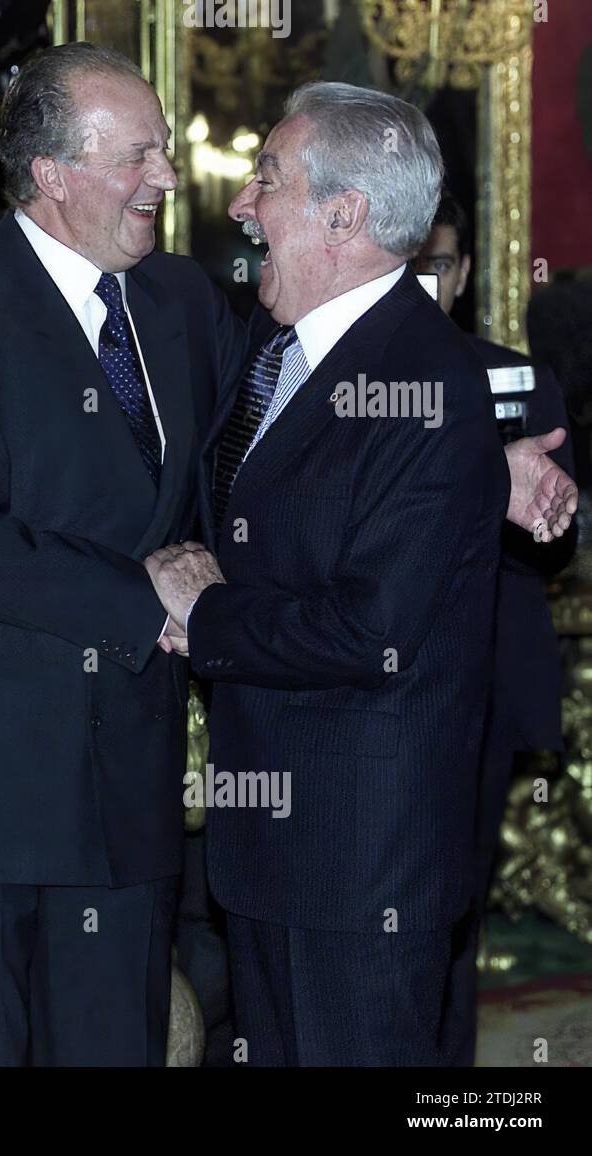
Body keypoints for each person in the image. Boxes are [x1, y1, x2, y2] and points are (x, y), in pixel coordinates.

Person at [149, 81, 574, 1066]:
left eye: (267, 180)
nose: (243, 205)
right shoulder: (274, 346)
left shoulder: (427, 387)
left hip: (359, 864)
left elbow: (366, 633)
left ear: (342, 215)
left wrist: (204, 612)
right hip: (270, 853)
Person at [0, 42, 249, 1066]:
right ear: (52, 175)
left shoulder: (184, 303)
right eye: (139, 155)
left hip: (126, 776)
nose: (165, 176)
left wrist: (479, 452)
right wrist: (144, 597)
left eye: (164, 151)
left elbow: (267, 460)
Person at [416, 190, 577, 1065]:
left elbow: (554, 552)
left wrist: (539, 513)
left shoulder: (515, 378)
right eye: (408, 267)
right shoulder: (342, 381)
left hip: (477, 688)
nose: (422, 285)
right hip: (359, 688)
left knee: (456, 916)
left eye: (438, 268)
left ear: (465, 273)